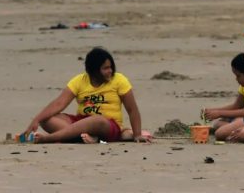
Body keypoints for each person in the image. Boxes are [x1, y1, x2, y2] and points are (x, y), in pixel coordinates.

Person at [20, 47, 151, 144]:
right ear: (94, 70)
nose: (110, 71)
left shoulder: (119, 80)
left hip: (108, 126)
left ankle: (50, 138)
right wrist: (36, 120)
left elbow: (132, 109)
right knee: (47, 118)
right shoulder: (79, 80)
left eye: (111, 67)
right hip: (81, 121)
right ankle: (86, 137)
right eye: (105, 68)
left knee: (96, 120)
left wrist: (137, 135)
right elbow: (59, 104)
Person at [202, 53, 244, 135]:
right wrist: (213, 111)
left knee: (235, 121)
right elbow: (236, 106)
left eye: (239, 76)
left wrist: (219, 113)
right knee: (218, 123)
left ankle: (235, 129)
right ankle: (233, 128)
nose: (237, 79)